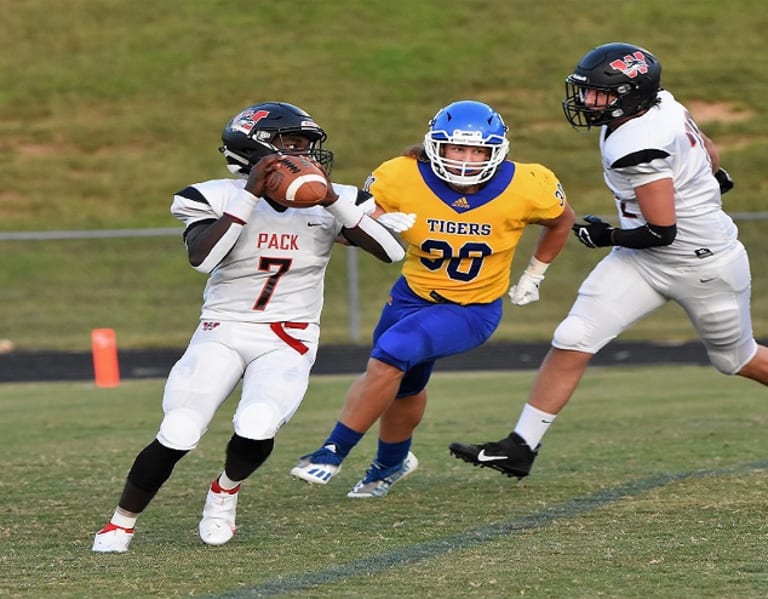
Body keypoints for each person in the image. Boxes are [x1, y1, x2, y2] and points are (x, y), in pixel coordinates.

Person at [92, 101, 412, 552]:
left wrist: (335, 201)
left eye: (307, 146)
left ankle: (224, 492)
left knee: (258, 423)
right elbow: (203, 259)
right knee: (180, 429)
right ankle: (120, 522)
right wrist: (250, 194)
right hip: (223, 328)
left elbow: (391, 253)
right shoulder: (211, 196)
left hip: (289, 335)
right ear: (253, 149)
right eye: (292, 144)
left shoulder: (329, 198)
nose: (304, 154)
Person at [450, 42, 768, 480]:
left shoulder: (638, 142)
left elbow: (661, 230)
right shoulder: (662, 105)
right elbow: (710, 153)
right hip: (643, 262)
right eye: (585, 91)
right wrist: (709, 177)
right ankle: (520, 446)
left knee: (737, 359)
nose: (586, 102)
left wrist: (604, 235)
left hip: (701, 264)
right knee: (573, 336)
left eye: (599, 94)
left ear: (631, 94)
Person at [289, 99, 575, 497]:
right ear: (435, 145)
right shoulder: (400, 175)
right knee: (402, 383)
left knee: (391, 355)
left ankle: (331, 451)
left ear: (497, 150)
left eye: (477, 150)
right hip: (410, 297)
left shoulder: (528, 183)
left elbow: (562, 219)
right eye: (458, 148)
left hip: (470, 309)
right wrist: (374, 222)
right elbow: (345, 231)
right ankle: (390, 465)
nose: (466, 160)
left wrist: (535, 273)